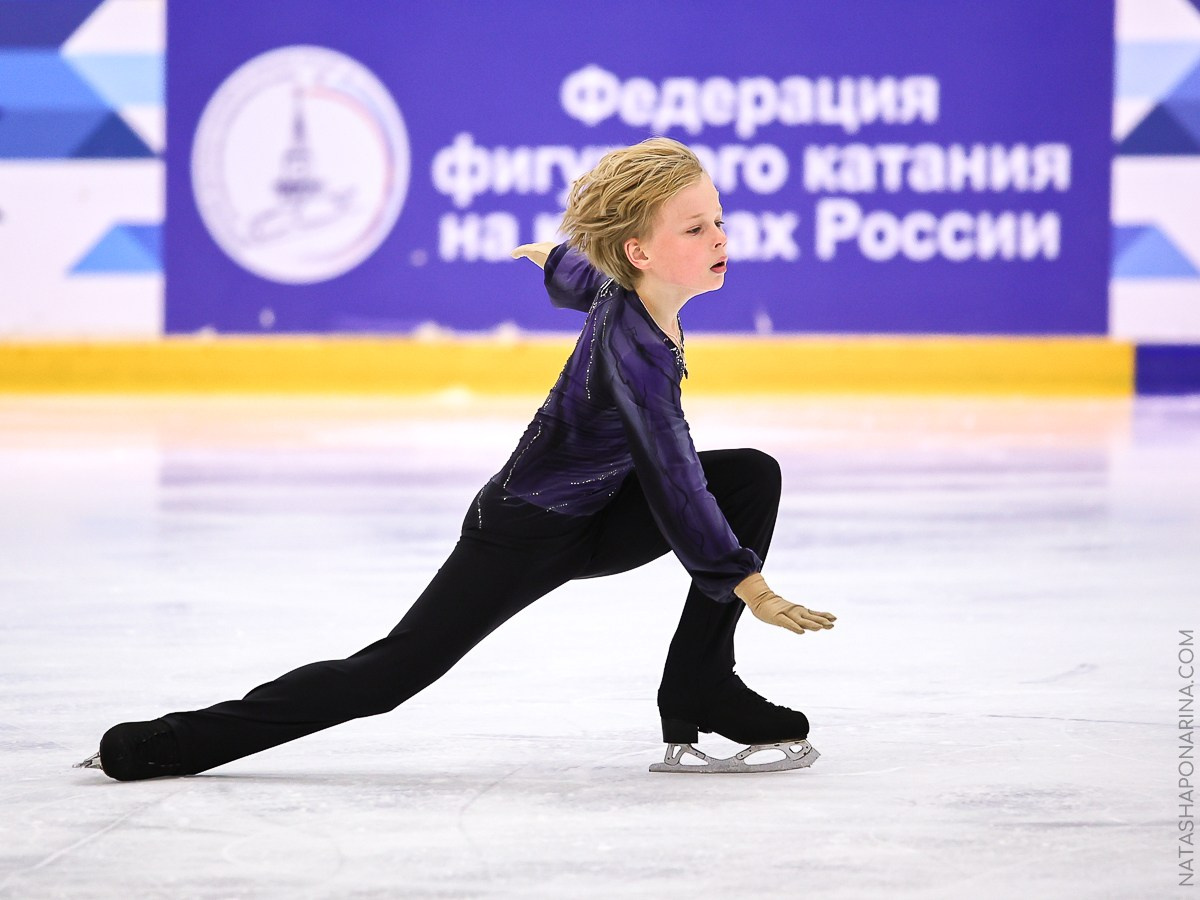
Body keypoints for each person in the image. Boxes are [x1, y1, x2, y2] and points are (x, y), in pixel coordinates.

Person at [76, 137, 836, 781]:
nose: (720, 239)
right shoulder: (637, 353)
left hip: (597, 511)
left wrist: (552, 258)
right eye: (696, 229)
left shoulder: (625, 290)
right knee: (387, 676)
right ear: (640, 253)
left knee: (749, 475)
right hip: (524, 531)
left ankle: (700, 683)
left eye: (718, 221)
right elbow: (673, 480)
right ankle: (162, 744)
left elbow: (586, 275)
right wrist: (747, 584)